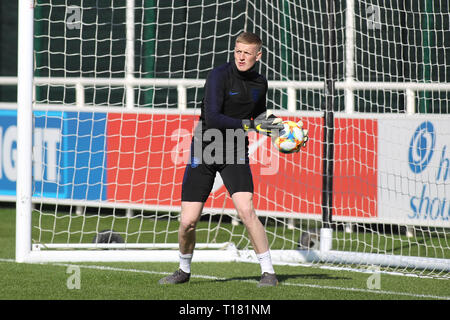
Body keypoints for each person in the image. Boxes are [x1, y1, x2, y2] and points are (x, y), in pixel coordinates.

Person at [159, 32, 285, 287]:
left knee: (246, 210)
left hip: (234, 150)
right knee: (188, 222)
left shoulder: (260, 83)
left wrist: (280, 132)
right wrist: (249, 124)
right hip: (204, 149)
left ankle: (269, 272)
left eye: (247, 53)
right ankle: (183, 270)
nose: (240, 57)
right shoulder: (218, 75)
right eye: (238, 51)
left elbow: (259, 117)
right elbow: (214, 117)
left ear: (257, 56)